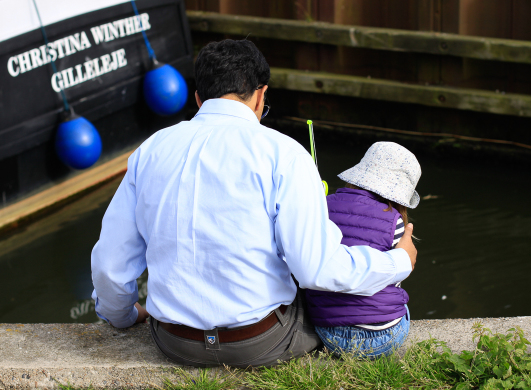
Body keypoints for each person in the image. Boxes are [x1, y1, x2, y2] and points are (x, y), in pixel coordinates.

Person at [90, 39, 417, 368]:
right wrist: (399, 261)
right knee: (319, 294)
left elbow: (109, 265)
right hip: (260, 343)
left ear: (199, 98)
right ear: (261, 94)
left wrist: (123, 316)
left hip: (175, 343)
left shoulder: (150, 150)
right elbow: (317, 269)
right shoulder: (284, 154)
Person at [305, 142, 421, 359]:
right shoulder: (394, 221)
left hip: (329, 334)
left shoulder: (320, 206)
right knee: (401, 304)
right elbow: (392, 278)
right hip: (383, 338)